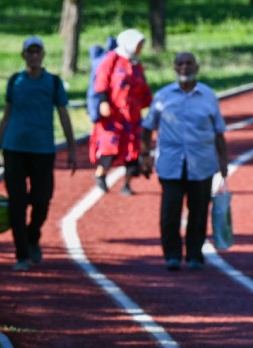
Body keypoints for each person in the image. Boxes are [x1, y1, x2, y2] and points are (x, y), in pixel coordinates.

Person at [0, 36, 77, 272]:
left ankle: (32, 235)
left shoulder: (53, 83)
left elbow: (63, 115)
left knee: (42, 200)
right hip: (14, 149)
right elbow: (6, 117)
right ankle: (22, 254)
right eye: (30, 52)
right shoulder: (15, 82)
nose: (34, 57)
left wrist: (72, 147)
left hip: (43, 150)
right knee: (16, 203)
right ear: (24, 56)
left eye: (38, 52)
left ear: (43, 55)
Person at [140, 52, 229, 271]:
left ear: (196, 67)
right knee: (170, 212)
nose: (185, 68)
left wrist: (223, 161)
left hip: (202, 165)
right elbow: (147, 127)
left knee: (198, 213)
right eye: (180, 64)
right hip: (171, 165)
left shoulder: (208, 96)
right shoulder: (163, 96)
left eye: (189, 63)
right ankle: (172, 255)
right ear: (174, 68)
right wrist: (144, 156)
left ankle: (194, 255)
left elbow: (219, 132)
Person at [90, 28, 152, 196]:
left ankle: (127, 183)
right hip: (114, 114)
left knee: (133, 150)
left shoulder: (136, 64)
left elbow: (143, 87)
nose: (140, 48)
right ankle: (101, 173)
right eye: (138, 45)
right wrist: (103, 101)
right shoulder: (112, 59)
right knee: (111, 146)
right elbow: (102, 79)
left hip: (133, 116)